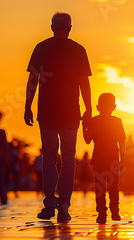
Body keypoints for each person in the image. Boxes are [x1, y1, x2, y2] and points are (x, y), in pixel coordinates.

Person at [24, 12, 92, 223]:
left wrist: (28, 106)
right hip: (71, 113)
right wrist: (88, 109)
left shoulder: (41, 48)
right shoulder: (78, 50)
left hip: (47, 112)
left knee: (49, 158)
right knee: (69, 160)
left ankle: (49, 204)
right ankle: (64, 207)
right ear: (70, 28)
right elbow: (84, 83)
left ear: (51, 26)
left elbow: (32, 80)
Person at [83, 93, 126, 224]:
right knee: (113, 187)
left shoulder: (95, 121)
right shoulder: (116, 121)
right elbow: (122, 143)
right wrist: (122, 160)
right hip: (111, 158)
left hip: (102, 159)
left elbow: (87, 140)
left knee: (101, 187)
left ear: (97, 107)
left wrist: (84, 126)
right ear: (114, 107)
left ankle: (104, 213)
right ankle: (112, 211)